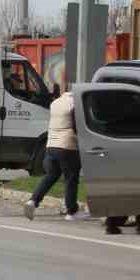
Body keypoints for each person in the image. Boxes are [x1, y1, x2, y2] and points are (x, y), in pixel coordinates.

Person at [24, 89, 91, 221]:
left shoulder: (55, 103)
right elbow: (77, 125)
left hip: (51, 145)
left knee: (51, 175)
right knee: (71, 179)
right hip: (68, 146)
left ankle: (33, 201)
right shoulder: (75, 103)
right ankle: (72, 212)